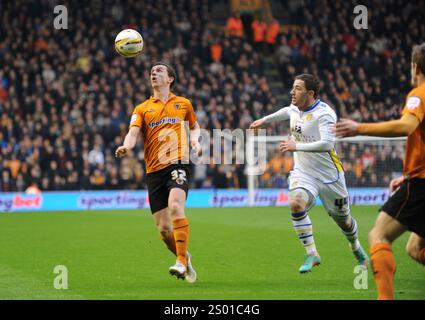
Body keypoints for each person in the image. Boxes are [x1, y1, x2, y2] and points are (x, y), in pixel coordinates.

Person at [250, 74, 369, 273]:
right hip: (304, 172)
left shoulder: (325, 114)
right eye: (293, 87)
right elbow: (287, 111)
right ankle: (312, 253)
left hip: (330, 176)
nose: (292, 91)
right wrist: (264, 120)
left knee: (345, 222)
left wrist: (297, 146)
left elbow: (327, 144)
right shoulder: (295, 107)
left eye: (297, 88)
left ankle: (356, 247)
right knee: (296, 204)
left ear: (310, 93)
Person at [335, 43, 425, 300]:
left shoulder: (419, 93)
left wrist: (359, 128)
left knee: (378, 234)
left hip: (422, 182)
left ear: (415, 67)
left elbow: (407, 126)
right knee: (415, 246)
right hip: (417, 176)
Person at [115, 62, 202, 283]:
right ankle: (185, 257)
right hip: (154, 171)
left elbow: (194, 126)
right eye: (152, 71)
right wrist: (127, 146)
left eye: (159, 70)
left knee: (175, 206)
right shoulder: (142, 108)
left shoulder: (183, 104)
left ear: (170, 78)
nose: (154, 73)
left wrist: (194, 140)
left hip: (178, 163)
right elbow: (132, 133)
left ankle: (181, 263)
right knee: (164, 230)